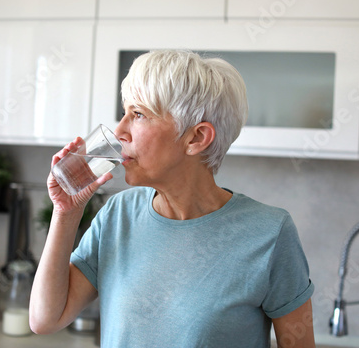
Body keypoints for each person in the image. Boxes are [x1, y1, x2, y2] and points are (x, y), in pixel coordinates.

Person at [29, 50, 315, 347]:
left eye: (138, 114)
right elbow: (45, 319)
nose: (119, 130)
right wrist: (67, 213)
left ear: (196, 138)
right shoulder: (118, 216)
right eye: (125, 111)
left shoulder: (269, 233)